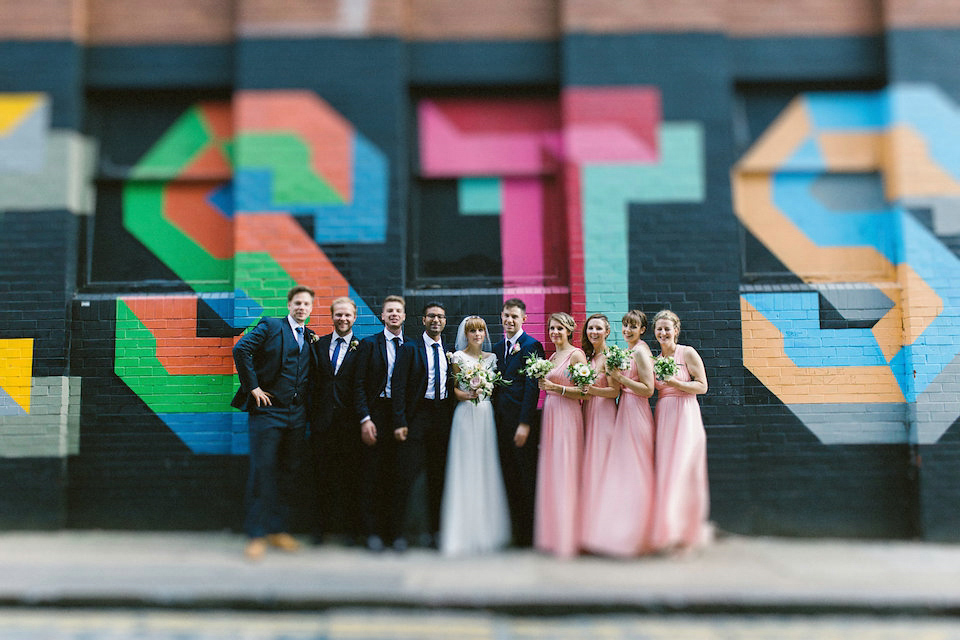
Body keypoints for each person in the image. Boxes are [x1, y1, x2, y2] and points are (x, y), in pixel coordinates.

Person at [231, 285, 315, 560]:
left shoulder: (310, 337)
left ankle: (278, 531)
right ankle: (256, 535)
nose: (302, 307)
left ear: (311, 309)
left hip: (296, 415)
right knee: (262, 471)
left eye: (306, 304)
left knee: (287, 472)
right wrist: (252, 387)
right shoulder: (270, 325)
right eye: (298, 303)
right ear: (289, 304)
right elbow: (241, 349)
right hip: (268, 413)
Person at [581, 310, 656, 556]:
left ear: (642, 329)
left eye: (633, 326)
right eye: (625, 325)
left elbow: (648, 389)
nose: (628, 330)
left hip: (635, 411)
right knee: (625, 470)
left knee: (635, 468)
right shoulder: (628, 352)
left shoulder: (641, 352)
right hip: (625, 410)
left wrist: (619, 380)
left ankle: (640, 533)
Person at [440, 316, 511, 555]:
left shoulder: (492, 359)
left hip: (484, 414)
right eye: (472, 331)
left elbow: (496, 389)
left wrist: (484, 389)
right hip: (465, 414)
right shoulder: (458, 357)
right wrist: (469, 393)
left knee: (485, 465)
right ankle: (462, 532)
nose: (477, 335)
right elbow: (455, 391)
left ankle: (489, 531)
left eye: (480, 330)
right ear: (466, 335)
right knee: (466, 466)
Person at [391, 301, 454, 550]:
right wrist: (400, 421)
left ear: (445, 321)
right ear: (423, 320)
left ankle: (435, 533)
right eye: (431, 316)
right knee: (407, 476)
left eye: (440, 316)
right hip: (417, 417)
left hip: (443, 419)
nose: (436, 320)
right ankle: (399, 534)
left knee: (439, 477)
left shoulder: (451, 351)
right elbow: (398, 387)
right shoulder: (409, 349)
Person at [650, 309, 712, 552]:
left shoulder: (687, 353)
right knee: (667, 469)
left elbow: (703, 386)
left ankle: (687, 533)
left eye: (667, 328)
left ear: (676, 330)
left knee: (684, 468)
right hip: (664, 412)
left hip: (686, 412)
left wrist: (676, 383)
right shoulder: (653, 360)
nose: (663, 332)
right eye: (659, 329)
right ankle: (668, 531)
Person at [354, 295, 410, 552]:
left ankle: (396, 534)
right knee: (372, 475)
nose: (394, 314)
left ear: (404, 316)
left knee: (398, 477)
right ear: (383, 315)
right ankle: (372, 533)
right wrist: (365, 418)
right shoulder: (368, 345)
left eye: (398, 310)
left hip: (401, 418)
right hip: (375, 414)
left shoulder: (412, 345)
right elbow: (358, 385)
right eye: (390, 311)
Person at [491, 298, 544, 547]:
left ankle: (529, 535)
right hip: (500, 423)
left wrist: (525, 423)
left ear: (524, 318)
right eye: (506, 316)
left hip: (520, 423)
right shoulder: (498, 346)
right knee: (508, 475)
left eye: (514, 316)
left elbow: (532, 389)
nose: (509, 320)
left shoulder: (532, 346)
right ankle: (514, 532)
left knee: (525, 477)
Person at [534, 312, 587, 558]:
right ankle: (553, 535)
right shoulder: (552, 356)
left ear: (568, 330)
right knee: (553, 471)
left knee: (566, 469)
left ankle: (569, 538)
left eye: (558, 328)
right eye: (551, 328)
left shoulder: (576, 355)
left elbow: (584, 392)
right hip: (551, 414)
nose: (554, 332)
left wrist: (556, 388)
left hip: (567, 415)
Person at [309, 297, 361, 544]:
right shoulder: (318, 345)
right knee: (321, 478)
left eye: (347, 315)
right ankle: (320, 530)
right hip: (322, 423)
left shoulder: (363, 348)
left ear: (355, 317)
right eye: (339, 315)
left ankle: (351, 531)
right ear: (332, 317)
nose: (343, 319)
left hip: (350, 424)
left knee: (351, 477)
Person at [576, 314, 620, 545]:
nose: (593, 332)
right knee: (590, 466)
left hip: (604, 414)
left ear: (607, 332)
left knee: (603, 465)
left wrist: (591, 390)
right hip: (588, 412)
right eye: (590, 328)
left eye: (598, 328)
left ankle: (608, 529)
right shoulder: (588, 357)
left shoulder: (611, 357)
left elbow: (614, 391)